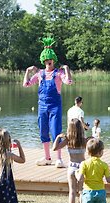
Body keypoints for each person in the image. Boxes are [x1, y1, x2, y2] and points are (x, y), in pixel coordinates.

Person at [23, 37, 72, 168]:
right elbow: (26, 84)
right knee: (43, 131)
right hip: (42, 106)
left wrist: (67, 69)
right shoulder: (40, 74)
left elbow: (69, 82)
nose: (48, 63)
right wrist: (28, 71)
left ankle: (59, 159)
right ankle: (47, 157)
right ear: (43, 61)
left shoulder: (58, 73)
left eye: (49, 61)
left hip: (55, 106)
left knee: (56, 131)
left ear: (53, 61)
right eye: (45, 61)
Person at [52, 118, 87, 203]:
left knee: (72, 192)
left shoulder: (68, 140)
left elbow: (54, 148)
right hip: (82, 167)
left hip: (72, 167)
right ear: (81, 129)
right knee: (81, 191)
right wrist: (92, 138)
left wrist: (58, 137)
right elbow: (96, 146)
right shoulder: (84, 140)